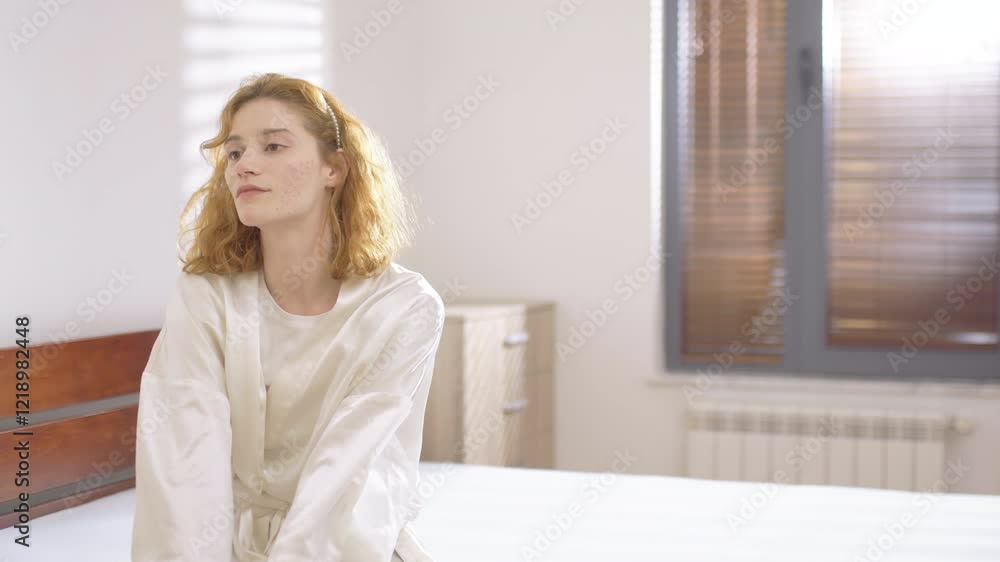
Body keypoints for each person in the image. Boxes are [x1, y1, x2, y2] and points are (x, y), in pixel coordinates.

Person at [130, 72, 443, 561]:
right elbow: (182, 464)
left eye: (273, 147)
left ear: (333, 168)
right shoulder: (205, 296)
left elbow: (354, 474)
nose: (244, 166)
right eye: (234, 152)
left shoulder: (404, 306)